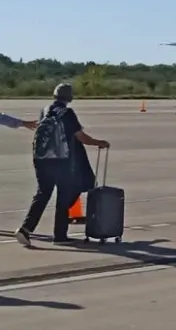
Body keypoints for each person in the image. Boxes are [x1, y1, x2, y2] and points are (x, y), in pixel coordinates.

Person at [15, 83, 109, 247]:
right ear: (69, 98)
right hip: (61, 161)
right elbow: (80, 137)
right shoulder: (68, 113)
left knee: (43, 194)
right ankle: (60, 235)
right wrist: (99, 142)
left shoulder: (45, 110)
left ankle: (25, 229)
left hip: (41, 159)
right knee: (64, 195)